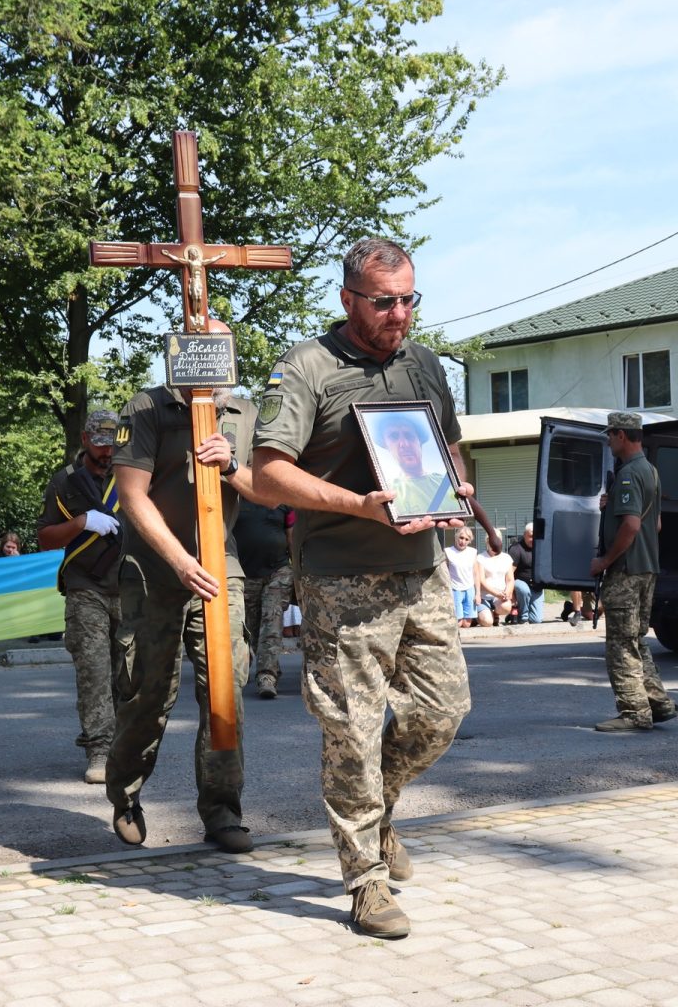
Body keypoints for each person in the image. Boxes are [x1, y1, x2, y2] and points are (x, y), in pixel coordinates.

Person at [251, 237, 473, 940]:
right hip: (341, 577)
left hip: (421, 570)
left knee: (443, 712)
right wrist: (359, 505)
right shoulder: (308, 367)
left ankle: (379, 817)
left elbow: (449, 442)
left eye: (409, 298)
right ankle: (365, 884)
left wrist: (455, 486)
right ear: (348, 299)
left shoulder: (425, 363)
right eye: (384, 301)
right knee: (350, 731)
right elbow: (267, 474)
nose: (399, 313)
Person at [107, 348, 259, 854]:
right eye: (204, 349)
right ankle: (125, 794)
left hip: (221, 569)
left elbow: (271, 491)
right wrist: (179, 560)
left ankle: (222, 811)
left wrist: (232, 465)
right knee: (148, 696)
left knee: (225, 691)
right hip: (154, 572)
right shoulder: (145, 408)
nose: (214, 361)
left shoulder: (244, 413)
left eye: (223, 350)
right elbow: (132, 495)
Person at [36, 409, 123, 783]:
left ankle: (124, 746)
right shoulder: (65, 482)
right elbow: (44, 537)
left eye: (112, 444)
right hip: (85, 586)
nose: (107, 452)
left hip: (131, 585)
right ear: (86, 440)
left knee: (129, 673)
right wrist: (80, 522)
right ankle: (100, 751)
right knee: (94, 671)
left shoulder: (133, 475)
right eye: (100, 444)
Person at [589, 411, 677, 733]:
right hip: (647, 568)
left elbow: (632, 525)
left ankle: (634, 712)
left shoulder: (627, 474)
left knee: (621, 645)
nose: (609, 441)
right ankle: (657, 703)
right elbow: (656, 523)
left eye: (610, 435)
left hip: (626, 570)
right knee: (636, 640)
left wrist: (604, 561)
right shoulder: (650, 470)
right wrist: (612, 506)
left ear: (621, 436)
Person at [233, 496, 295, 698]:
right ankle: (267, 665)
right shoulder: (234, 498)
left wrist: (299, 572)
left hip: (279, 570)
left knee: (272, 621)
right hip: (245, 573)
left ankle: (266, 676)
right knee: (250, 628)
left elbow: (291, 536)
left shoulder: (282, 499)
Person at [370, 412, 461, 517]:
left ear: (419, 441)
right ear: (387, 446)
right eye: (394, 437)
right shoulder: (386, 491)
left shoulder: (445, 482)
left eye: (409, 435)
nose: (404, 444)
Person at [474, 535, 515, 626]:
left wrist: (507, 592)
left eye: (497, 540)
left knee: (506, 607)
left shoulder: (507, 558)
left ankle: (495, 614)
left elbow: (510, 580)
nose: (494, 544)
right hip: (484, 596)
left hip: (500, 596)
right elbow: (481, 581)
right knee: (487, 622)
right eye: (491, 541)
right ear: (487, 542)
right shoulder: (480, 557)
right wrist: (496, 593)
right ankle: (478, 617)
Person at [508, 523, 544, 623]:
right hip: (520, 584)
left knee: (537, 620)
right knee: (523, 589)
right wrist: (512, 595)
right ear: (524, 535)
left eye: (535, 536)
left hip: (536, 587)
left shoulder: (542, 548)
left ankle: (518, 611)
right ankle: (522, 616)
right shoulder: (516, 549)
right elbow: (509, 574)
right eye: (531, 536)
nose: (533, 539)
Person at [445, 527, 480, 628]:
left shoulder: (473, 552)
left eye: (466, 539)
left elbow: (476, 574)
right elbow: (445, 572)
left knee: (467, 624)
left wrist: (477, 594)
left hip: (469, 589)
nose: (463, 541)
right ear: (456, 537)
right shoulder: (448, 552)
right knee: (458, 623)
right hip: (455, 589)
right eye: (461, 538)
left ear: (469, 541)